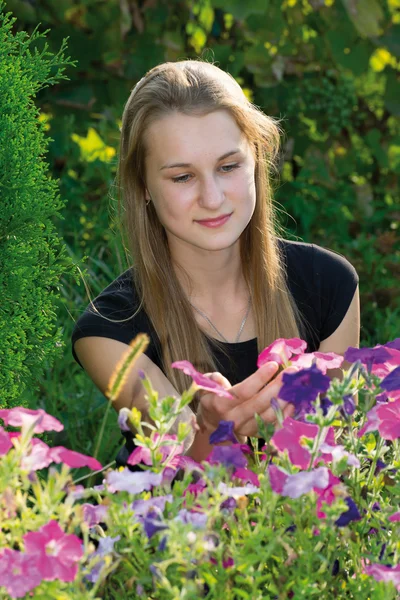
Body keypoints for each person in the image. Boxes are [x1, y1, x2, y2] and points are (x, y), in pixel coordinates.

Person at [71, 59, 360, 468]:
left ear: (256, 161)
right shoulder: (109, 330)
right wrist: (211, 433)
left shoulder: (330, 284)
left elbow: (338, 457)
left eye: (228, 167)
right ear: (144, 188)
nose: (212, 198)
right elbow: (188, 474)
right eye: (182, 177)